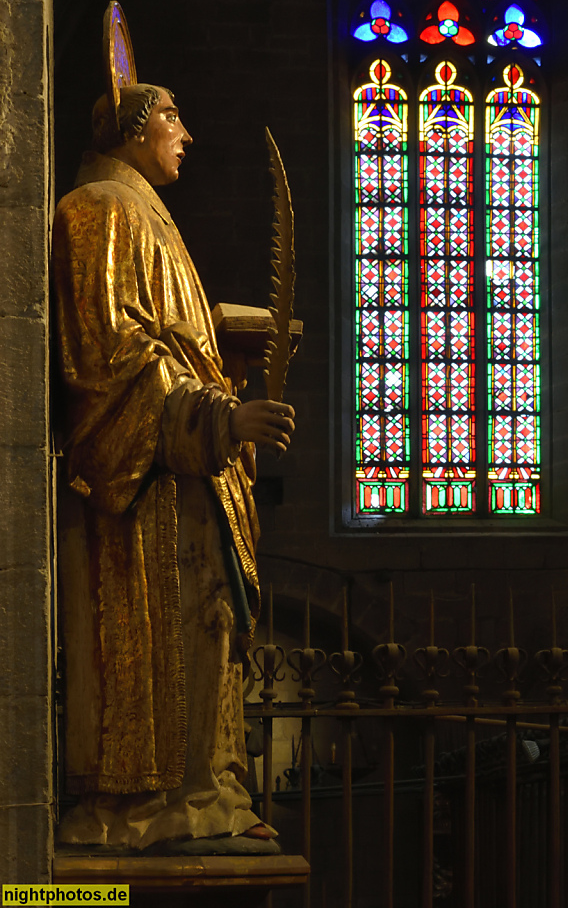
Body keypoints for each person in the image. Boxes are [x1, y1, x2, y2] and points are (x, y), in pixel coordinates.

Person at [52, 82, 294, 851]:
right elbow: (109, 360)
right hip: (150, 490)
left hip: (191, 480)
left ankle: (206, 794)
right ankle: (147, 809)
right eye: (170, 117)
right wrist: (220, 417)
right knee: (164, 641)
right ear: (131, 126)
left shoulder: (145, 214)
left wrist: (227, 347)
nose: (185, 133)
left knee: (211, 632)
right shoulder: (99, 210)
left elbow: (171, 341)